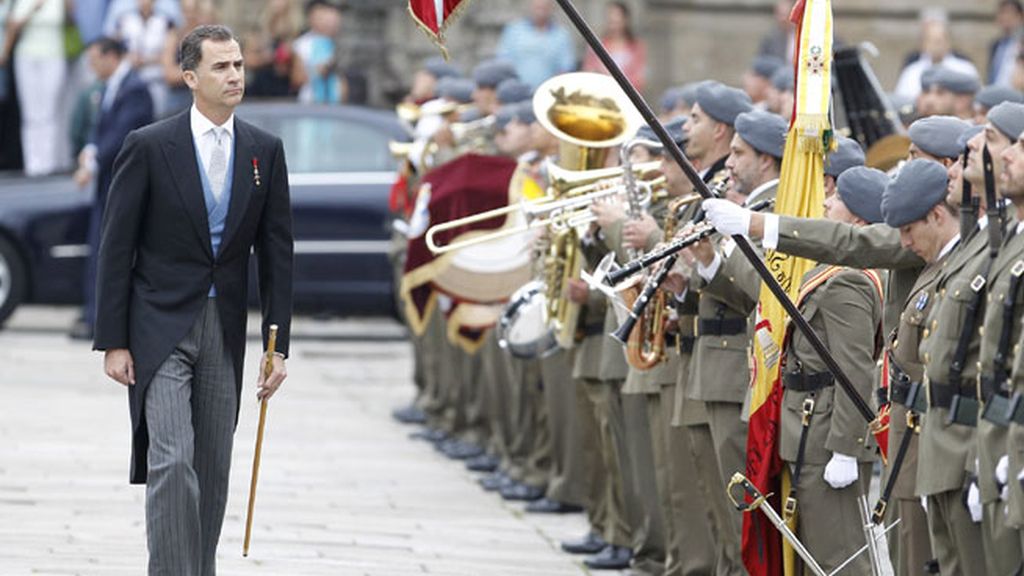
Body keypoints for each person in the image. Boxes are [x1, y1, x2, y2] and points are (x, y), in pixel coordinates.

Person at [93, 24, 293, 574]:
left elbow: (277, 253)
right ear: (189, 78)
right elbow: (116, 249)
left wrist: (278, 345)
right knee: (173, 461)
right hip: (158, 329)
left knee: (212, 467)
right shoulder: (149, 146)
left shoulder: (264, 151)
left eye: (238, 66)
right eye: (221, 67)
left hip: (222, 330)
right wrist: (112, 340)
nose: (234, 76)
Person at [777, 166, 886, 574]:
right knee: (813, 551)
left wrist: (846, 447)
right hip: (810, 425)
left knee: (837, 555)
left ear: (857, 219)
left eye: (836, 199)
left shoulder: (848, 281)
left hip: (825, 432)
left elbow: (854, 369)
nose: (825, 202)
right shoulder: (830, 270)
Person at [71, 36, 154, 341]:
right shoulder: (110, 87)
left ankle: (102, 321)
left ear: (111, 57)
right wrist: (89, 150)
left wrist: (92, 164)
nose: (92, 65)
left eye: (95, 58)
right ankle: (94, 316)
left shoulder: (135, 90)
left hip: (122, 185)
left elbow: (122, 136)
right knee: (100, 251)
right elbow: (100, 129)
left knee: (112, 253)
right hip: (106, 185)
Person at [7, 0, 66, 176]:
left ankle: (48, 163)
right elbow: (13, 25)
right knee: (30, 112)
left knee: (49, 110)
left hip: (53, 54)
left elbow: (66, 20)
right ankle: (33, 164)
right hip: (26, 55)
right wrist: (33, 9)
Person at [894, 9, 979, 101]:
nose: (936, 46)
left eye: (939, 41)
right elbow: (901, 99)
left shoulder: (965, 69)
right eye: (931, 41)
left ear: (948, 41)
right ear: (922, 43)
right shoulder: (911, 71)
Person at [496, 0, 575, 89]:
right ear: (531, 6)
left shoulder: (561, 35)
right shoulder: (514, 30)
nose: (541, 11)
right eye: (538, 7)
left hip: (548, 94)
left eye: (544, 7)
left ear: (552, 8)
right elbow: (502, 62)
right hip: (516, 93)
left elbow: (566, 68)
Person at [113, 0, 173, 116]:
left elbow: (169, 52)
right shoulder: (125, 20)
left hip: (155, 80)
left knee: (156, 118)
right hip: (130, 79)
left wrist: (146, 60)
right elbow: (116, 49)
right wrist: (129, 58)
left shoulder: (165, 21)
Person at [581, 1, 646, 91]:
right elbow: (588, 71)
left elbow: (638, 79)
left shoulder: (636, 47)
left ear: (625, 20)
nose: (613, 26)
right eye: (611, 21)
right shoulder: (597, 45)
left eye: (617, 21)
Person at [293, 0, 344, 103]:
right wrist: (317, 72)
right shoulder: (303, 44)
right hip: (311, 104)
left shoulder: (335, 44)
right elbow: (297, 79)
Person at [989, 0, 1024, 87]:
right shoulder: (996, 45)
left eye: (1009, 13)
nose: (1005, 17)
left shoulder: (1021, 43)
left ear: (1021, 16)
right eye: (1002, 13)